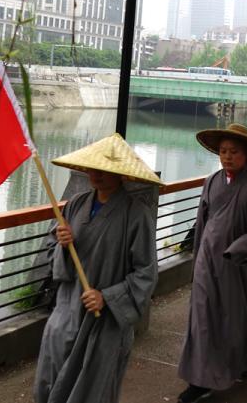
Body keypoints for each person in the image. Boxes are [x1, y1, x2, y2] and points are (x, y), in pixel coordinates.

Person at [34, 133, 162, 403]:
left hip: (104, 320)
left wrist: (107, 297)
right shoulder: (76, 205)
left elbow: (145, 272)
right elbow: (50, 251)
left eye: (105, 169)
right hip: (67, 312)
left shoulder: (137, 215)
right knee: (52, 375)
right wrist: (62, 245)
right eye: (93, 167)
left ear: (121, 174)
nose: (97, 174)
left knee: (94, 387)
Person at [178, 123, 247, 403]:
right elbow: (202, 222)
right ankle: (201, 379)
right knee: (204, 318)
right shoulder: (212, 181)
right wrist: (197, 258)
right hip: (208, 263)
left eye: (233, 151)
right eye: (223, 151)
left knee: (241, 317)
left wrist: (240, 249)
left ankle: (245, 361)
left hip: (241, 265)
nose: (227, 157)